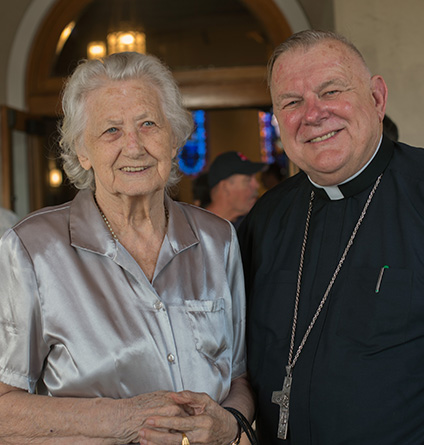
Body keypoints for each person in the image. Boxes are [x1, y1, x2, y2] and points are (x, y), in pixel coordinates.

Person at [238, 29, 424, 444]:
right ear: (276, 120)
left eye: (331, 91)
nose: (313, 114)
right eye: (291, 102)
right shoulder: (266, 219)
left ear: (377, 99)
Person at [0, 52, 254, 445]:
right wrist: (123, 419)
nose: (134, 147)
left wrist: (232, 423)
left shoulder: (217, 239)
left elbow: (238, 377)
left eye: (148, 124)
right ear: (82, 151)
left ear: (174, 140)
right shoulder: (31, 249)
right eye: (111, 130)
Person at [206, 151, 265, 228]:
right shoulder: (195, 231)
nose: (257, 185)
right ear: (225, 187)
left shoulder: (251, 228)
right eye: (248, 180)